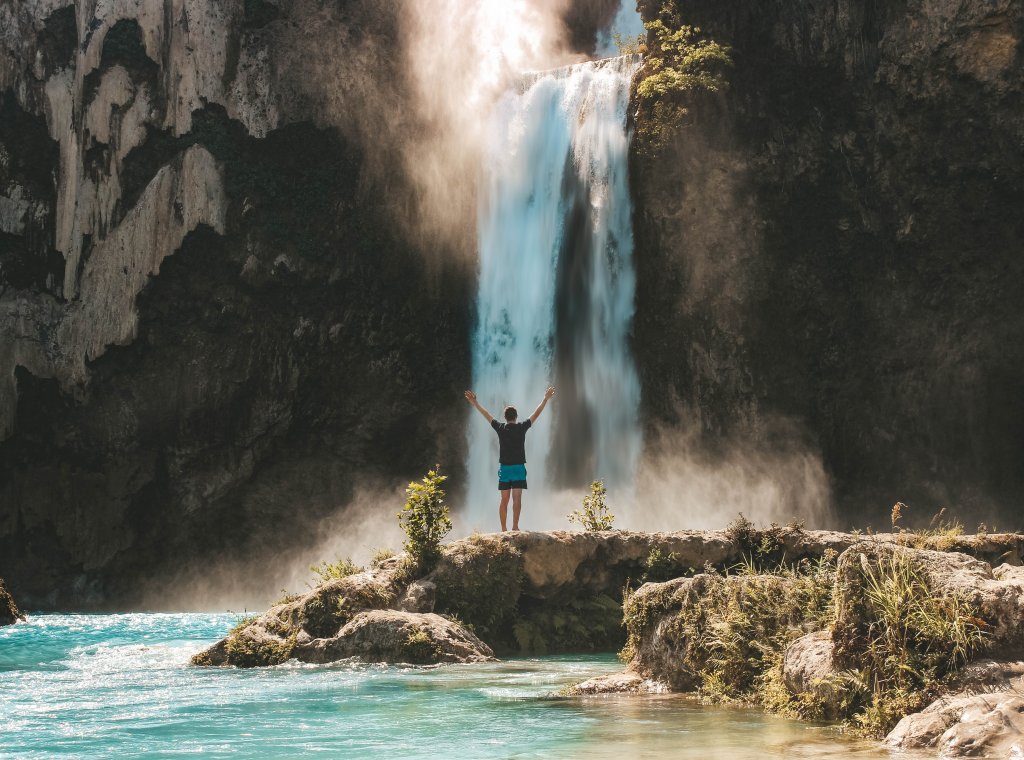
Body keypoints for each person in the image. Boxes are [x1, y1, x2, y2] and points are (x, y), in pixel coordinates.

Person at [464, 386, 556, 532]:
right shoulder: (522, 427)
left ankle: (503, 529)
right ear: (516, 416)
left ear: (505, 417)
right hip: (518, 468)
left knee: (504, 501)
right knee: (517, 499)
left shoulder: (500, 428)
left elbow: (486, 415)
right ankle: (515, 526)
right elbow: (536, 414)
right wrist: (545, 399)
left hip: (505, 468)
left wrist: (475, 402)